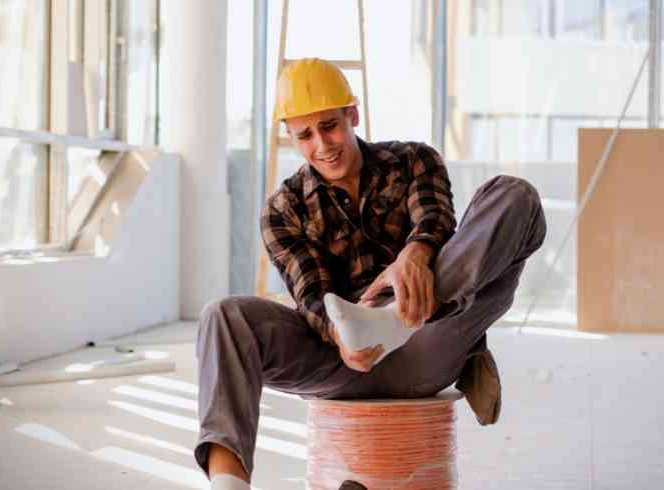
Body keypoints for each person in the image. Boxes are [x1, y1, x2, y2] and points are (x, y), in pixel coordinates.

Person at [195, 57, 546, 490]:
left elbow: (435, 217)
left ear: (352, 115)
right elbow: (313, 296)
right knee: (223, 316)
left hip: (428, 335)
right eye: (305, 135)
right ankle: (228, 484)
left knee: (514, 196)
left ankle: (393, 316)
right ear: (291, 138)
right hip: (341, 361)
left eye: (330, 126)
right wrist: (341, 334)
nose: (322, 144)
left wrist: (415, 255)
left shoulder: (413, 160)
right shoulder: (282, 210)